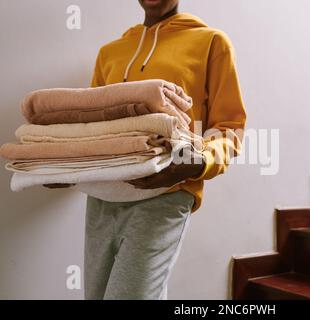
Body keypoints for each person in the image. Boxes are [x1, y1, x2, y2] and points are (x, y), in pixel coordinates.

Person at [48, 0, 246, 299]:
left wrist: (199, 161)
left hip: (164, 193)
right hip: (102, 196)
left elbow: (230, 127)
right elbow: (91, 125)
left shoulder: (211, 42)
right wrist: (67, 167)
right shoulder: (110, 52)